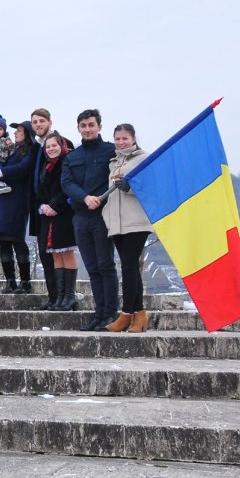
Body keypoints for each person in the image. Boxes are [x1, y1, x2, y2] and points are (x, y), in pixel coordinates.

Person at [61, 109, 120, 331]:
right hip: (80, 217)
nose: (87, 129)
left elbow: (118, 176)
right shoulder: (72, 157)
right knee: (93, 268)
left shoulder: (111, 152)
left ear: (99, 127)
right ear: (78, 128)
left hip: (103, 216)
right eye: (83, 126)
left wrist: (98, 198)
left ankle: (110, 314)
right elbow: (66, 183)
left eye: (91, 125)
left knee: (106, 265)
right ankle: (98, 314)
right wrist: (84, 197)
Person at [103, 123, 154, 332]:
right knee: (130, 266)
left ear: (133, 139)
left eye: (125, 138)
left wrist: (131, 187)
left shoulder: (143, 159)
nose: (121, 142)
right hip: (117, 222)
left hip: (136, 221)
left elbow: (151, 185)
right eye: (117, 138)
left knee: (128, 266)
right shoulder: (114, 162)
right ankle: (140, 314)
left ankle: (126, 314)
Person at [0, 123, 38, 293]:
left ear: (27, 133)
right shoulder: (13, 150)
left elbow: (23, 168)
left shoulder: (32, 149)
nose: (15, 132)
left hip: (17, 200)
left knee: (17, 240)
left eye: (19, 130)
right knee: (3, 241)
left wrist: (2, 172)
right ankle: (10, 281)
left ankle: (25, 282)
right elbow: (1, 166)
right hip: (2, 200)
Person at [36, 132, 79, 311]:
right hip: (48, 215)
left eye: (54, 145)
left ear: (61, 146)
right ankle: (60, 297)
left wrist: (54, 205)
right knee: (55, 253)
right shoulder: (47, 165)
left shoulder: (66, 162)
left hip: (64, 214)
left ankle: (70, 296)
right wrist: (43, 206)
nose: (51, 149)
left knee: (66, 252)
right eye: (48, 147)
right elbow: (41, 190)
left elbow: (67, 188)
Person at [27, 109, 61, 308]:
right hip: (39, 208)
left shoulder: (60, 143)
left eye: (42, 121)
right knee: (44, 253)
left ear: (50, 122)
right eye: (35, 122)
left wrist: (55, 204)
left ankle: (63, 297)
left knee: (58, 253)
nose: (38, 124)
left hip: (56, 209)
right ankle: (53, 296)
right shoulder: (37, 147)